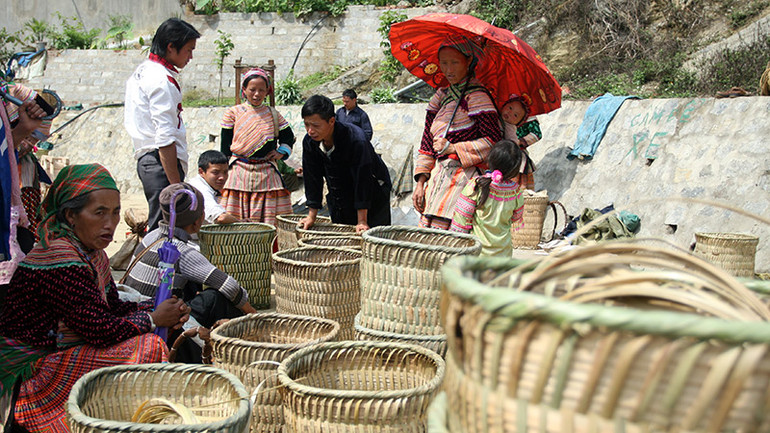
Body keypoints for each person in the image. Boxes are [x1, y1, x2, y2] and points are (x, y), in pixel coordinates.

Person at [0, 164, 189, 432]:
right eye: (99, 213)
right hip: (31, 369)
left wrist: (162, 307)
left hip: (60, 347)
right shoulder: (60, 258)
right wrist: (153, 318)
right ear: (71, 215)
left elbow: (113, 307)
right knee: (147, 347)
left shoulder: (91, 253)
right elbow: (100, 329)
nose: (110, 224)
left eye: (115, 212)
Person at [123, 183, 256, 329]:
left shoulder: (151, 236)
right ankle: (248, 328)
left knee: (193, 283)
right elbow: (230, 286)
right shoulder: (182, 251)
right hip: (159, 320)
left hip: (135, 313)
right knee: (215, 298)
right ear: (198, 220)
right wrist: (252, 313)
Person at [413, 35, 502, 230]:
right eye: (444, 63)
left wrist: (454, 148)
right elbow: (427, 143)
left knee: (454, 237)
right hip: (437, 180)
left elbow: (494, 142)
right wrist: (421, 182)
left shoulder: (478, 96)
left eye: (455, 62)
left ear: (468, 62)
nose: (449, 69)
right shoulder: (440, 97)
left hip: (466, 181)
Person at [125, 18, 201, 232]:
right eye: (188, 50)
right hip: (160, 163)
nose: (190, 57)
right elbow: (165, 138)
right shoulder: (161, 80)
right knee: (166, 230)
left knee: (163, 227)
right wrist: (176, 186)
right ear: (170, 47)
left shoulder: (143, 71)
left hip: (150, 161)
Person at [299, 95, 391, 234]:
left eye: (316, 126)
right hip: (340, 195)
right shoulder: (309, 142)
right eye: (307, 125)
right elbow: (312, 178)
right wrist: (311, 216)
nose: (310, 131)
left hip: (372, 194)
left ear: (331, 121)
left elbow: (363, 179)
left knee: (372, 238)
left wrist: (362, 221)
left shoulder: (356, 140)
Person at [219, 68, 295, 226]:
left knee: (269, 222)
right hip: (238, 173)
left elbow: (288, 136)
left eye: (261, 90)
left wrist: (281, 152)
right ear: (244, 89)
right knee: (234, 220)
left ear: (267, 91)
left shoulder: (273, 114)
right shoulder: (233, 113)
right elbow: (225, 146)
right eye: (252, 89)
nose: (257, 94)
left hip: (267, 173)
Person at [450, 140, 525, 257]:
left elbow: (461, 219)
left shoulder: (476, 185)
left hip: (477, 255)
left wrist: (457, 245)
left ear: (490, 159)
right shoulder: (516, 191)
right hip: (503, 255)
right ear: (515, 167)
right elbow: (516, 217)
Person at [500, 94, 542, 190]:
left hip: (516, 153)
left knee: (519, 179)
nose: (510, 113)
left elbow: (537, 134)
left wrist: (520, 142)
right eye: (510, 108)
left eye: (515, 115)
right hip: (501, 152)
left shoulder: (529, 117)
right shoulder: (499, 116)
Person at [188, 150, 239, 224]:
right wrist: (240, 223)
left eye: (225, 172)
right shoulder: (200, 189)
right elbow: (221, 217)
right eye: (215, 172)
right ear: (201, 172)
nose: (222, 177)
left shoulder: (208, 187)